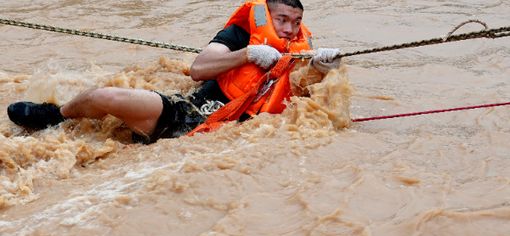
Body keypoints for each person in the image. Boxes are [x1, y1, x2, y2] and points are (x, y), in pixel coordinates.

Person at [7, 0, 341, 144]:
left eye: (295, 22)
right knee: (104, 97)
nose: (288, 28)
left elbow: (311, 105)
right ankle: (57, 115)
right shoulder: (240, 36)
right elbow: (199, 69)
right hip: (192, 115)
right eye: (281, 19)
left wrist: (322, 70)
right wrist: (248, 54)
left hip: (235, 136)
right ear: (267, 17)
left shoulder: (301, 52)